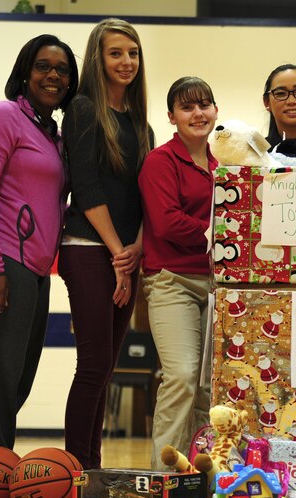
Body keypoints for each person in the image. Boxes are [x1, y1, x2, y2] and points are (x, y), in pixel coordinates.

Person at [0, 34, 78, 453]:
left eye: (62, 70)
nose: (53, 75)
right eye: (43, 66)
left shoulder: (54, 137)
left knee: (17, 377)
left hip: (35, 271)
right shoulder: (3, 116)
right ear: (25, 73)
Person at [60, 18, 152, 469]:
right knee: (93, 366)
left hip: (124, 255)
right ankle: (76, 472)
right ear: (98, 58)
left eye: (132, 53)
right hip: (86, 248)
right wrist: (120, 253)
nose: (126, 62)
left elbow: (143, 198)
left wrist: (134, 250)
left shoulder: (140, 123)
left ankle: (90, 470)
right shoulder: (80, 109)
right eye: (116, 53)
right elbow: (87, 188)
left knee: (106, 372)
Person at [138, 77, 217, 468]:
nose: (198, 113)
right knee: (183, 376)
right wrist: (217, 234)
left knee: (209, 389)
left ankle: (201, 482)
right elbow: (167, 223)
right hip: (173, 281)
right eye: (187, 107)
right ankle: (163, 481)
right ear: (172, 117)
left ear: (216, 111)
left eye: (205, 104)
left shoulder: (223, 164)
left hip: (218, 285)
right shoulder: (160, 161)